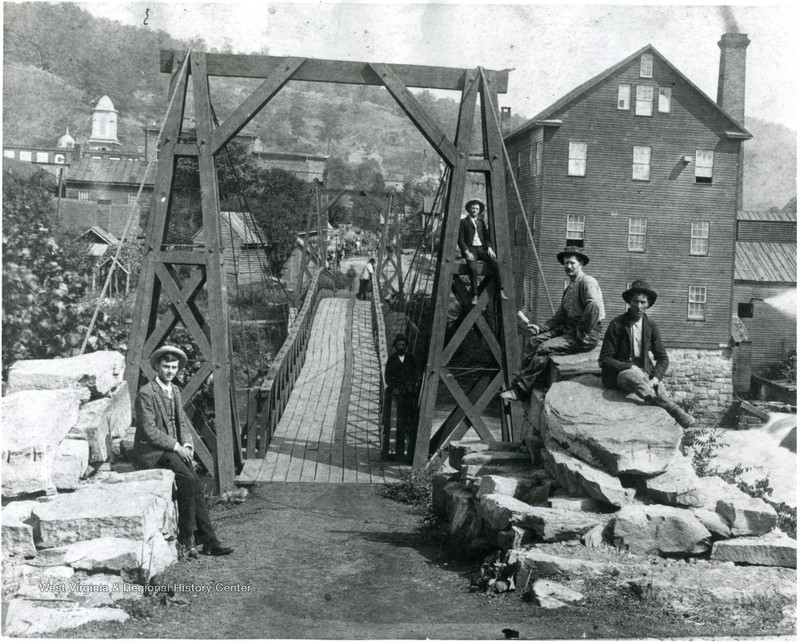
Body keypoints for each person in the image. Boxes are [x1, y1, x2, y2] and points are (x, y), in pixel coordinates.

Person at [134, 346, 234, 559]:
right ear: (157, 367)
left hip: (173, 448)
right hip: (153, 451)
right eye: (166, 367)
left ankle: (209, 541)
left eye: (173, 367)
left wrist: (187, 445)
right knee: (188, 478)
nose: (170, 371)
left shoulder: (175, 391)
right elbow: (149, 431)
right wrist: (176, 447)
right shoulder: (146, 393)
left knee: (195, 483)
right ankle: (186, 539)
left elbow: (182, 423)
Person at [501, 245, 605, 401]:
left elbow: (594, 306)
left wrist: (582, 331)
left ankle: (521, 391)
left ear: (581, 264)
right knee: (535, 341)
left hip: (587, 333)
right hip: (569, 327)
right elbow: (560, 316)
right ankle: (523, 382)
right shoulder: (570, 287)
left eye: (572, 263)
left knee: (545, 348)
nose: (568, 266)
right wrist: (541, 328)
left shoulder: (587, 282)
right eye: (565, 263)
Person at [599, 280, 695, 428]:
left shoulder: (651, 325)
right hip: (622, 373)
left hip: (645, 372)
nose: (638, 306)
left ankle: (668, 422)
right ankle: (673, 409)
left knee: (660, 389)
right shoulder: (617, 324)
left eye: (643, 302)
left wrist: (655, 379)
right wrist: (629, 367)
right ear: (629, 302)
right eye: (635, 301)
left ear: (648, 304)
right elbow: (604, 359)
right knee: (632, 376)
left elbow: (662, 358)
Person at [458, 199, 509, 305]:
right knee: (472, 268)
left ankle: (500, 290)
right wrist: (467, 252)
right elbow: (461, 240)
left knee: (496, 263)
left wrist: (489, 248)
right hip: (471, 250)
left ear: (479, 210)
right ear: (469, 209)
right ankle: (475, 295)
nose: (474, 210)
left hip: (482, 249)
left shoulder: (481, 222)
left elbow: (486, 237)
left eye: (477, 209)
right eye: (473, 208)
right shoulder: (463, 222)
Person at [384, 334, 419, 463]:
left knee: (407, 421)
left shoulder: (410, 358)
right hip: (397, 393)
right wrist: (394, 388)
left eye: (403, 345)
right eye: (399, 345)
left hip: (408, 394)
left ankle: (407, 454)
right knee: (397, 421)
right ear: (395, 346)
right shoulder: (392, 359)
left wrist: (411, 386)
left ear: (406, 346)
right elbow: (388, 376)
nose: (401, 347)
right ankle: (395, 454)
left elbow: (415, 374)